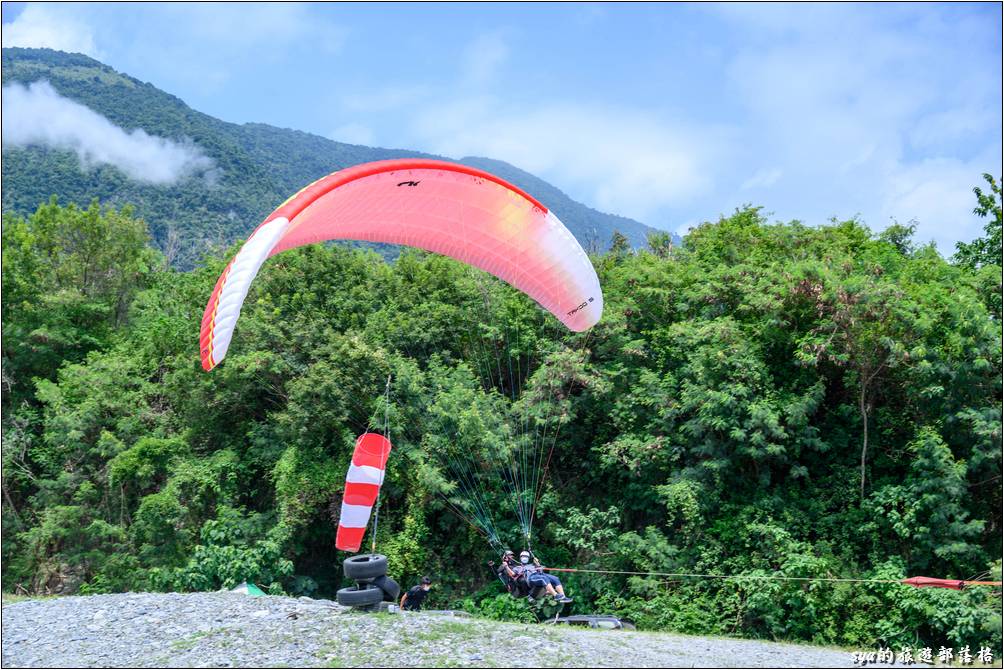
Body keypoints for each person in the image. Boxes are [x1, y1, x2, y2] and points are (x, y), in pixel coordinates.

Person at [503, 550, 572, 603]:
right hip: (530, 578)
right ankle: (556, 595)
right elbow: (512, 574)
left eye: (526, 557)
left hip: (539, 575)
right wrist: (506, 566)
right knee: (543, 579)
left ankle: (563, 597)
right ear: (520, 558)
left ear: (529, 558)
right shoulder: (517, 567)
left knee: (555, 578)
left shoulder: (532, 565)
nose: (524, 558)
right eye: (523, 556)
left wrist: (537, 564)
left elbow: (541, 571)